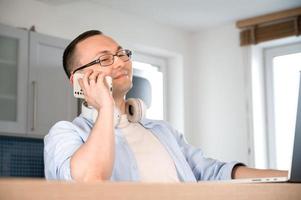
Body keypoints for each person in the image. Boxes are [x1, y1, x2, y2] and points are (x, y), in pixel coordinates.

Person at [44, 30, 287, 182]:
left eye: (122, 53)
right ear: (78, 79)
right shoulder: (65, 133)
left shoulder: (162, 131)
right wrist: (106, 107)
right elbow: (89, 181)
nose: (120, 62)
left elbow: (211, 172)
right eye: (106, 58)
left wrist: (289, 178)